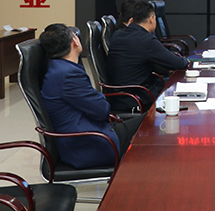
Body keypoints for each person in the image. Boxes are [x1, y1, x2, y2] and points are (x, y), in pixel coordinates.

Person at [39, 23, 144, 169]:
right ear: (74, 41)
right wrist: (98, 97)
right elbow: (102, 110)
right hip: (90, 144)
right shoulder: (68, 75)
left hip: (92, 134)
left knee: (152, 119)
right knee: (153, 122)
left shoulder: (59, 69)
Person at [107, 1, 189, 112]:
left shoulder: (117, 34)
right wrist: (187, 61)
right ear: (151, 18)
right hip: (136, 99)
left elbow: (137, 61)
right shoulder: (146, 40)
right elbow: (178, 63)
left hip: (118, 97)